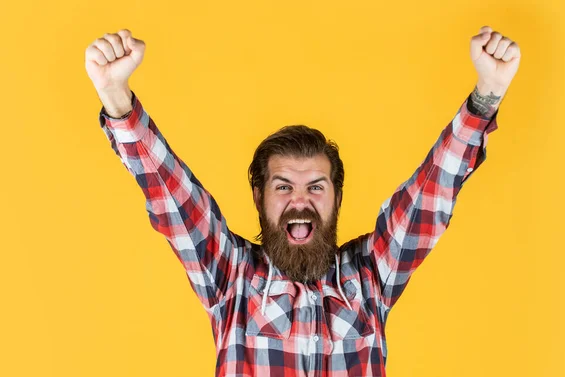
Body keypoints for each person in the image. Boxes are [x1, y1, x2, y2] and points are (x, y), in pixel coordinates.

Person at [85, 26, 520, 376]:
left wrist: (486, 96)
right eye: (283, 187)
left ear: (336, 197)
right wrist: (117, 100)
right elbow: (171, 192)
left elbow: (429, 197)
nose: (300, 201)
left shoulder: (371, 279)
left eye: (315, 186)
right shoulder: (231, 279)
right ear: (258, 197)